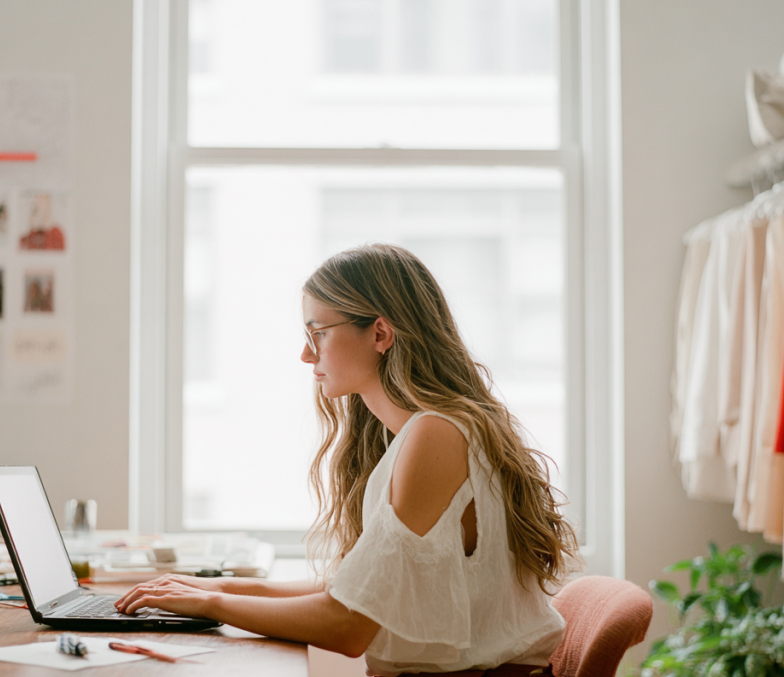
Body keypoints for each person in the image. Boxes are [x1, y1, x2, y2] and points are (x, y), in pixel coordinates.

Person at [115, 244, 579, 675]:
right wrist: (213, 588)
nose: (304, 354)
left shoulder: (436, 435)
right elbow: (350, 590)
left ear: (380, 333)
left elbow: (347, 625)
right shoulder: (426, 430)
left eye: (317, 332)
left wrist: (213, 606)